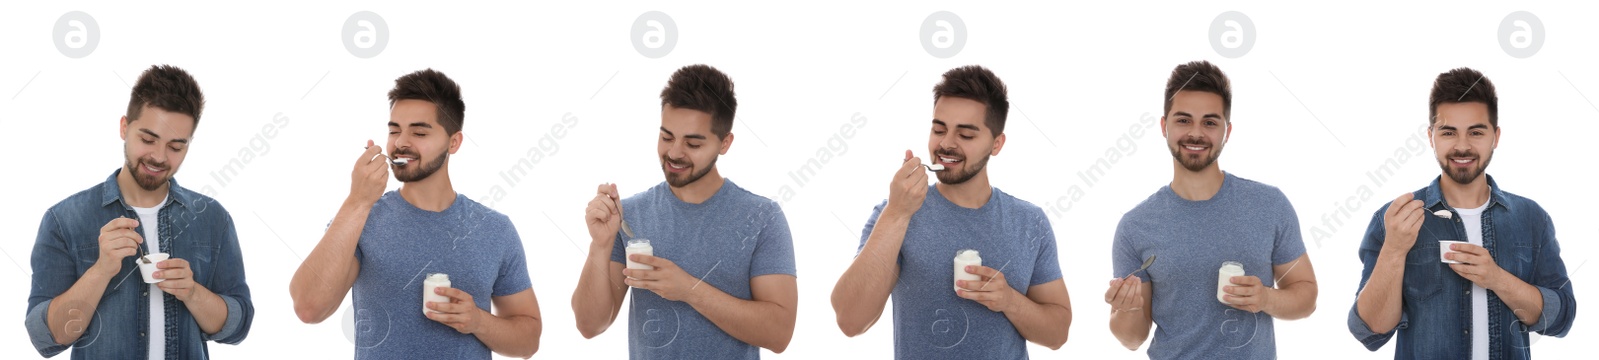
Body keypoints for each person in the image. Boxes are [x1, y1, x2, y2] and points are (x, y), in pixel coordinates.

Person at [290, 69, 541, 359]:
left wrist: (478, 321)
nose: (401, 142)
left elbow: (529, 341)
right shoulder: (361, 218)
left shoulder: (495, 230)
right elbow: (308, 307)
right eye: (394, 130)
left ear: (454, 142)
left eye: (419, 132)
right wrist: (357, 201)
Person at [830, 65, 1072, 359]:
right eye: (939, 129)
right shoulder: (895, 214)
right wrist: (897, 213)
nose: (945, 144)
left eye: (966, 135)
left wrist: (1009, 301)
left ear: (996, 144)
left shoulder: (1029, 222)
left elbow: (1058, 334)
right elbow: (850, 320)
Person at [25, 64, 255, 359]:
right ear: (124, 127)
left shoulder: (213, 219)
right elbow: (46, 337)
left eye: (175, 146)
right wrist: (101, 270)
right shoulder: (64, 220)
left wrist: (193, 293)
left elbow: (239, 325)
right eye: (148, 139)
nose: (159, 157)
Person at [1348, 67, 1577, 359]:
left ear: (1495, 136)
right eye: (1448, 132)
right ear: (1431, 137)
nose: (1462, 146)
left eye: (1476, 132)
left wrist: (1496, 279)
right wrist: (1394, 248)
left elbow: (1561, 319)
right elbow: (1368, 332)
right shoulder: (1395, 219)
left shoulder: (1532, 218)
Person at [572, 64, 798, 359]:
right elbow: (590, 325)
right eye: (667, 137)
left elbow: (779, 334)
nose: (675, 152)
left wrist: (689, 289)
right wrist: (600, 245)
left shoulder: (762, 217)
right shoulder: (628, 216)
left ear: (725, 143)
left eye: (692, 143)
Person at [1106, 60, 1318, 359]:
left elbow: (1306, 296)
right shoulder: (1135, 226)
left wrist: (1265, 298)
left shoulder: (1270, 205)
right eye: (1183, 120)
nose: (1196, 133)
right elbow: (1132, 338)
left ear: (1226, 131)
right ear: (1164, 126)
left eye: (1209, 122)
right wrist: (1128, 310)